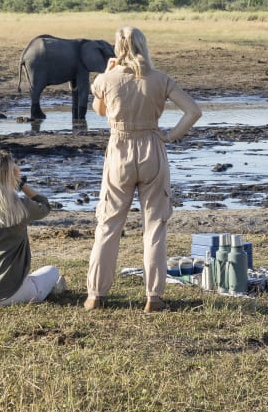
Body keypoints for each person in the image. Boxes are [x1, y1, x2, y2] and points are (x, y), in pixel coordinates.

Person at [84, 26, 202, 313]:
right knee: (155, 227)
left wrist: (106, 72)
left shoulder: (105, 79)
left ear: (118, 47)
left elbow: (100, 110)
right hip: (152, 147)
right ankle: (153, 297)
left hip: (119, 151)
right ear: (143, 45)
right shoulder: (160, 79)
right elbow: (193, 111)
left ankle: (95, 295)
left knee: (108, 225)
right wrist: (171, 135)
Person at [0, 149, 65, 306]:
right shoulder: (22, 207)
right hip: (15, 293)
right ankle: (47, 289)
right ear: (11, 174)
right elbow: (45, 206)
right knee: (52, 271)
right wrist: (21, 183)